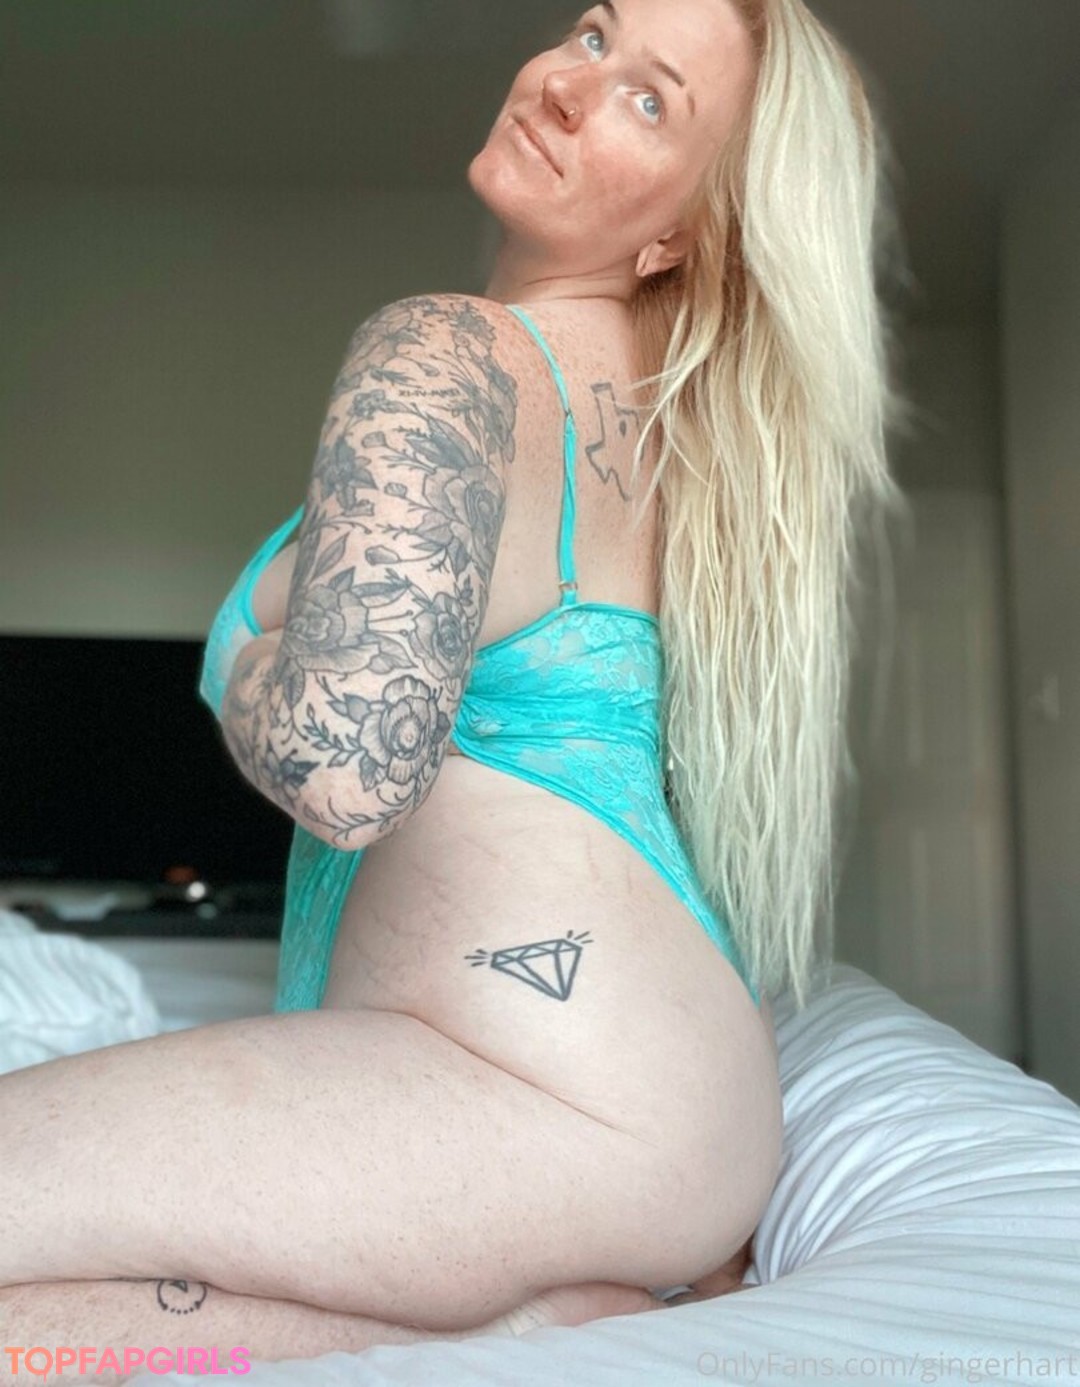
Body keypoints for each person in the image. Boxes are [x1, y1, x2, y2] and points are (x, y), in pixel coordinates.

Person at [0, 0, 910, 1366]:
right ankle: (535, 1319)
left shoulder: (451, 355)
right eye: (595, 33)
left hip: (533, 1088)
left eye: (652, 100)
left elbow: (345, 763)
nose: (570, 83)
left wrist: (246, 662)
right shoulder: (672, 439)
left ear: (679, 235)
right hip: (658, 1115)